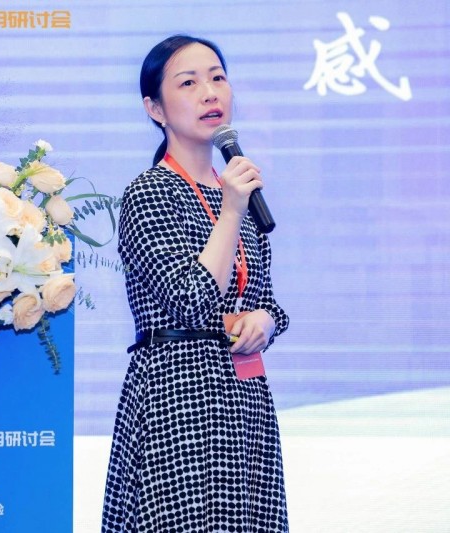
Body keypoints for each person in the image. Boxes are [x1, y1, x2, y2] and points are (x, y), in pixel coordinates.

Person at [101, 35, 290, 532]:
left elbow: (264, 299)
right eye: (188, 83)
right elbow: (192, 300)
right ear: (154, 109)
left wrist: (265, 321)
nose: (210, 92)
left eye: (217, 78)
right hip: (177, 395)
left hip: (244, 399)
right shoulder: (149, 193)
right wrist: (230, 212)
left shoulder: (237, 194)